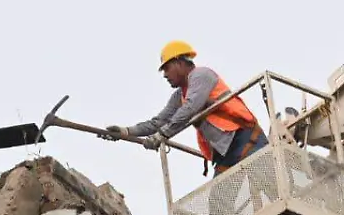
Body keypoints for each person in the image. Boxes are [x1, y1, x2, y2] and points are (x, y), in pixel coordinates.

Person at [106, 40, 269, 177]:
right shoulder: (179, 96)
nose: (164, 75)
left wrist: (162, 135)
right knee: (219, 203)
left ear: (180, 62)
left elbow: (191, 107)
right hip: (224, 151)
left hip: (244, 137)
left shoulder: (201, 75)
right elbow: (158, 122)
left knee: (268, 181)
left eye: (166, 68)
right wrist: (125, 131)